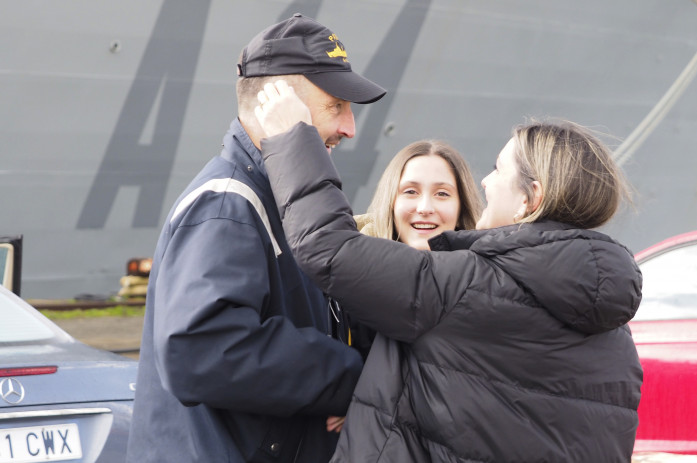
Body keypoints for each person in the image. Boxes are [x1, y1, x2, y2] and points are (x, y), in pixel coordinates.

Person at [254, 83, 643, 462]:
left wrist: (293, 138)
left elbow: (329, 247)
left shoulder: (466, 284)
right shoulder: (615, 333)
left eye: (497, 170)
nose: (486, 182)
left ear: (530, 199)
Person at [126, 14, 385, 463]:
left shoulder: (275, 204)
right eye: (335, 106)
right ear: (276, 100)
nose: (349, 127)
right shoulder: (229, 204)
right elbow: (202, 348)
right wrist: (350, 380)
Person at [348, 140, 482, 360]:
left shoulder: (487, 286)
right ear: (391, 201)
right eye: (411, 191)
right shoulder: (349, 278)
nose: (425, 208)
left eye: (442, 194)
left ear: (462, 207)